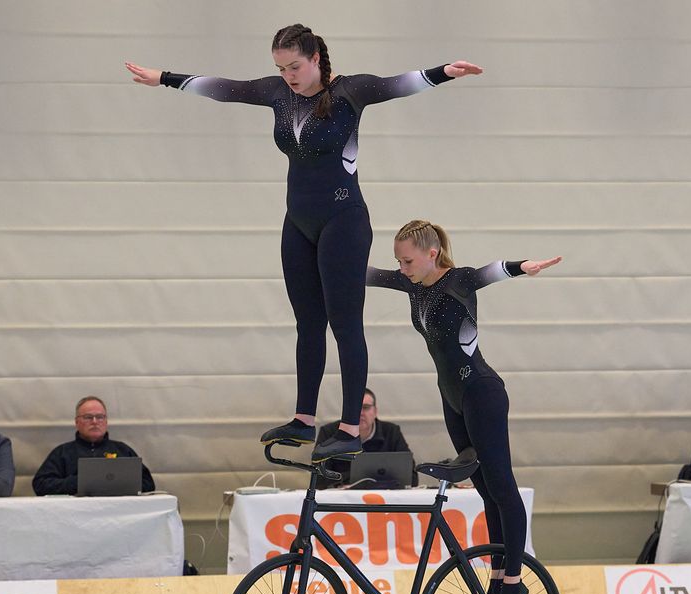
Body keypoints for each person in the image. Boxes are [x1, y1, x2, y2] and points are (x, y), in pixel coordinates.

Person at [126, 25, 483, 461]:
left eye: (295, 66)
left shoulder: (351, 91)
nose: (289, 75)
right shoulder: (278, 93)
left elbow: (396, 85)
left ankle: (351, 426)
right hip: (297, 222)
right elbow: (226, 89)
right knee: (307, 322)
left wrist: (444, 71)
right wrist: (163, 77)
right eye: (281, 67)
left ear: (316, 57)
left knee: (344, 322)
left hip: (343, 220)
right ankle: (303, 419)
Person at [366, 219, 561, 594]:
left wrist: (524, 266)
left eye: (407, 260)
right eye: (398, 262)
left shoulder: (459, 280)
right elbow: (365, 274)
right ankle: (495, 579)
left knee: (503, 487)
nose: (401, 268)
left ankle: (513, 584)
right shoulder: (411, 284)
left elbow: (493, 270)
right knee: (485, 490)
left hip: (481, 393)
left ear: (432, 253)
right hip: (452, 398)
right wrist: (322, 263)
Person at [32, 396, 155, 496]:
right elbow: (40, 485)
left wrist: (116, 484)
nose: (95, 421)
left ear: (106, 421)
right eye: (88, 417)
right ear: (77, 422)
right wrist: (79, 482)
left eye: (100, 417)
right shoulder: (62, 453)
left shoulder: (123, 450)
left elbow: (148, 484)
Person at [315, 387, 414, 487]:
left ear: (375, 411)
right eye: (355, 408)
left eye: (366, 407)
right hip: (342, 499)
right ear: (347, 411)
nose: (360, 413)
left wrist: (351, 478)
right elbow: (318, 478)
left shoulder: (391, 432)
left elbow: (411, 476)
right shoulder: (329, 433)